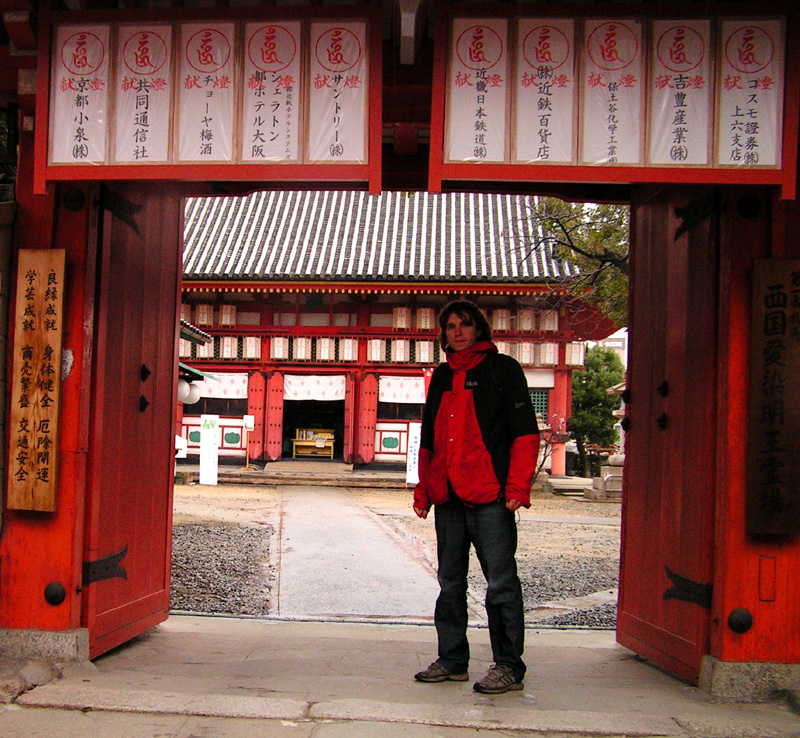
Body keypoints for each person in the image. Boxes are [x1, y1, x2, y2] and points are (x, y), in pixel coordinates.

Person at [412, 299, 540, 694]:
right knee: (449, 582)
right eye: (450, 326)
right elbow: (430, 438)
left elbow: (524, 433)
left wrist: (518, 486)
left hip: (491, 496)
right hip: (448, 497)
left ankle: (508, 666)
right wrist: (424, 487)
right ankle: (452, 659)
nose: (457, 332)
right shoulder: (441, 377)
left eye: (464, 325)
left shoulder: (503, 371)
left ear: (479, 329)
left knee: (500, 583)